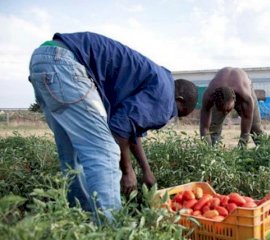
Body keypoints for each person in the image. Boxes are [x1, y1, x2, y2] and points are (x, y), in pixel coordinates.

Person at [28, 31, 198, 222]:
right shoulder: (166, 99)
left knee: (72, 155)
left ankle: (80, 221)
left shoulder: (158, 81)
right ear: (179, 101)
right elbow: (120, 128)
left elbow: (131, 128)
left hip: (44, 59)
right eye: (176, 114)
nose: (169, 117)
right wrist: (127, 171)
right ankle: (111, 229)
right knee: (106, 153)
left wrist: (146, 170)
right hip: (66, 64)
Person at [200, 67, 264, 147]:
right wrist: (206, 149)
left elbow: (245, 132)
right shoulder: (209, 96)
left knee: (255, 127)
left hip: (243, 85)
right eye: (222, 110)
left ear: (235, 99)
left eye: (227, 110)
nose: (226, 113)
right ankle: (213, 153)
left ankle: (267, 152)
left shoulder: (246, 96)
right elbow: (204, 127)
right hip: (220, 91)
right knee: (213, 129)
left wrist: (241, 148)